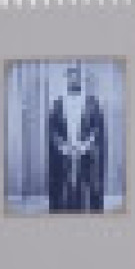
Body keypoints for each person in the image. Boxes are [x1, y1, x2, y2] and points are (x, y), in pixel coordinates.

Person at [47, 63, 107, 213]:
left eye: (77, 78)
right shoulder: (57, 104)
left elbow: (98, 128)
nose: (73, 81)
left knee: (91, 186)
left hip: (87, 151)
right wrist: (62, 146)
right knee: (62, 187)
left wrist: (86, 144)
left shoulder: (93, 103)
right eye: (70, 78)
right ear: (65, 80)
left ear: (82, 81)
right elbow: (52, 129)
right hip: (64, 152)